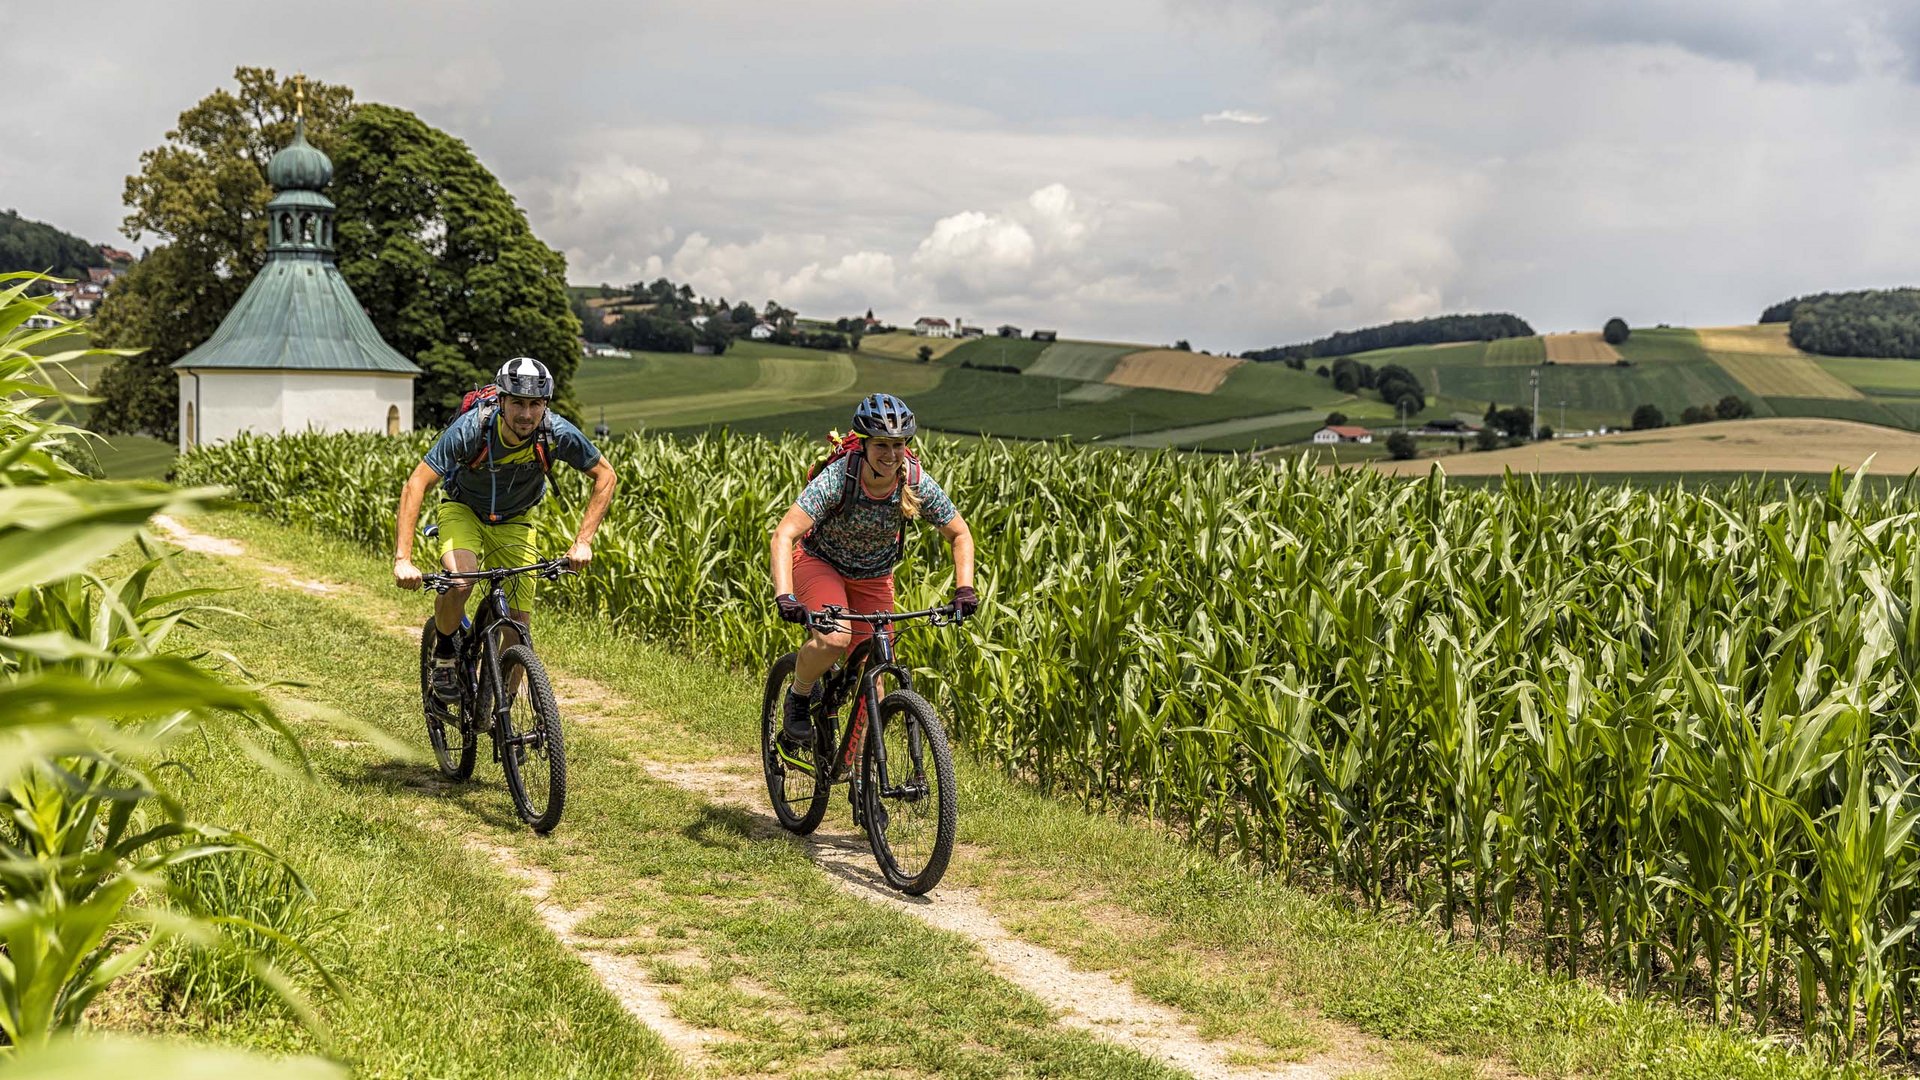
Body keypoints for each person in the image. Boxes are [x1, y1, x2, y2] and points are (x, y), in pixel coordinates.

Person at [393, 357, 618, 704]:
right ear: (500, 400)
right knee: (462, 579)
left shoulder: (555, 433)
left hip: (514, 520)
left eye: (535, 404)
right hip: (464, 510)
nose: (526, 414)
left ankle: (504, 707)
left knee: (518, 624)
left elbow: (606, 475)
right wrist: (403, 559)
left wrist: (583, 542)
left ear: (545, 405)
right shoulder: (472, 429)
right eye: (517, 403)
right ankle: (445, 654)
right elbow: (416, 484)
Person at [768, 393, 977, 751]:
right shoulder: (841, 476)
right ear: (864, 444)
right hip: (821, 564)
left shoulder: (913, 480)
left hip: (874, 576)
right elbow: (784, 535)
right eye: (882, 444)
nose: (891, 454)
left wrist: (964, 589)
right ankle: (799, 696)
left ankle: (865, 791)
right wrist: (784, 595)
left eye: (898, 445)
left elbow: (959, 533)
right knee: (834, 639)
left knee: (875, 676)